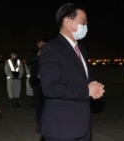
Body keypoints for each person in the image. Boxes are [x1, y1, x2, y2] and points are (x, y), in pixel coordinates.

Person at [39, 3, 105, 141]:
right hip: (62, 128)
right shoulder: (52, 49)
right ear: (69, 23)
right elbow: (50, 88)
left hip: (82, 127)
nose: (86, 26)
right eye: (83, 22)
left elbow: (84, 77)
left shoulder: (81, 49)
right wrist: (87, 91)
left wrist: (95, 86)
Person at [26, 37, 47, 133]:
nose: (42, 46)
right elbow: (28, 62)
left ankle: (48, 125)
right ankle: (40, 126)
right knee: (38, 105)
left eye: (44, 44)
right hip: (37, 82)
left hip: (47, 83)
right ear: (37, 44)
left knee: (47, 105)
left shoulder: (49, 52)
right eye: (41, 44)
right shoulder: (33, 52)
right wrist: (37, 55)